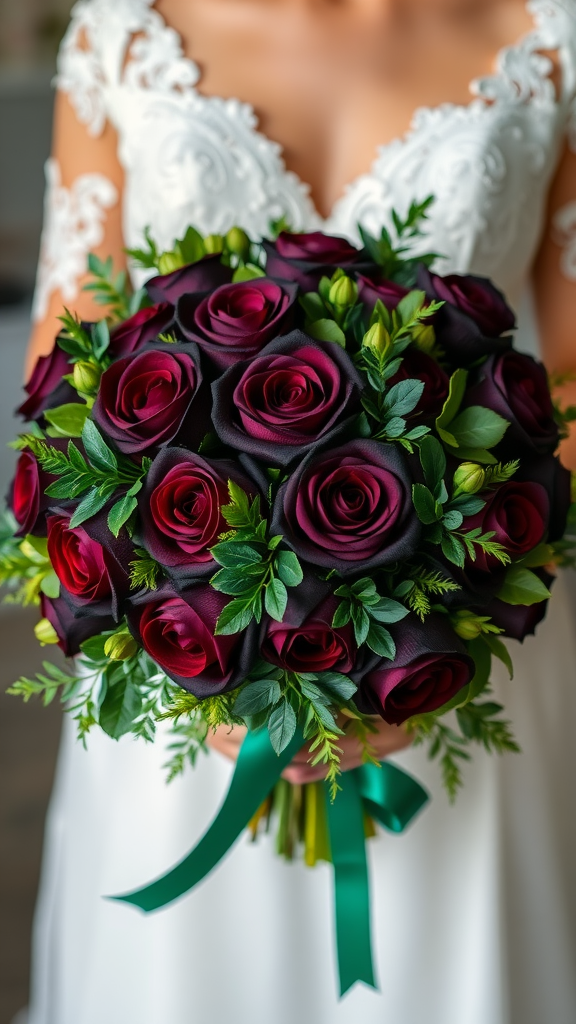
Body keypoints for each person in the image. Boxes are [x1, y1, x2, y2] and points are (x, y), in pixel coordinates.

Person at [25, 1, 576, 1022]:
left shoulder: (550, 37)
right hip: (185, 659)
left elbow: (574, 381)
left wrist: (432, 624)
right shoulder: (125, 31)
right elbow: (64, 387)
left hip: (463, 649)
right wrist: (198, 653)